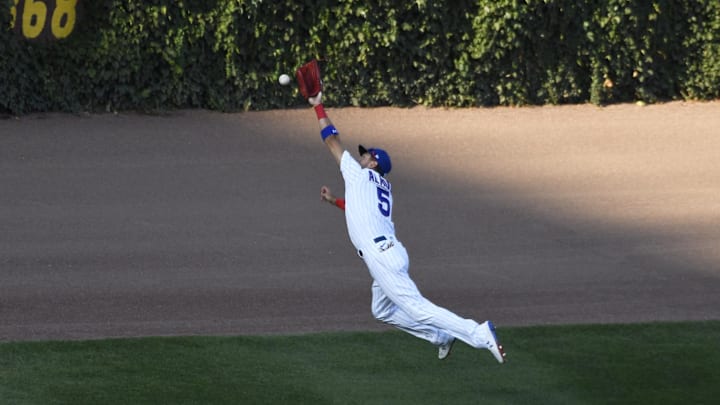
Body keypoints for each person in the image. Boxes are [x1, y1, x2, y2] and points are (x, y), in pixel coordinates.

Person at [309, 91, 505, 363]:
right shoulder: (385, 189)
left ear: (373, 162)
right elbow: (360, 210)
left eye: (366, 156)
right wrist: (335, 201)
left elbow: (331, 139)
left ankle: (478, 333)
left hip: (380, 255)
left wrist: (318, 107)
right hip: (389, 251)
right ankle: (440, 336)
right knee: (381, 310)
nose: (361, 157)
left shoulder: (359, 174)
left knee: (418, 308)